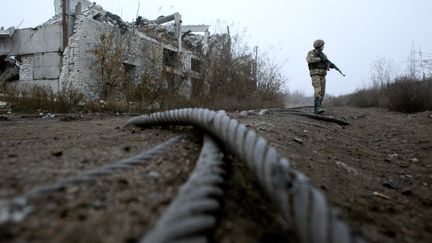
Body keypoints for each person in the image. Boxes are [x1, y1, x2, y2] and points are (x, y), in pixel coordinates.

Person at [306, 39, 331, 114]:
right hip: (315, 74)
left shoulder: (324, 55)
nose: (323, 47)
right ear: (319, 45)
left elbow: (327, 64)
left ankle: (318, 108)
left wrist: (328, 65)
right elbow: (309, 60)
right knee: (318, 91)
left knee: (322, 92)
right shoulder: (311, 52)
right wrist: (319, 59)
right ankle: (316, 108)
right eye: (323, 45)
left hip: (323, 75)